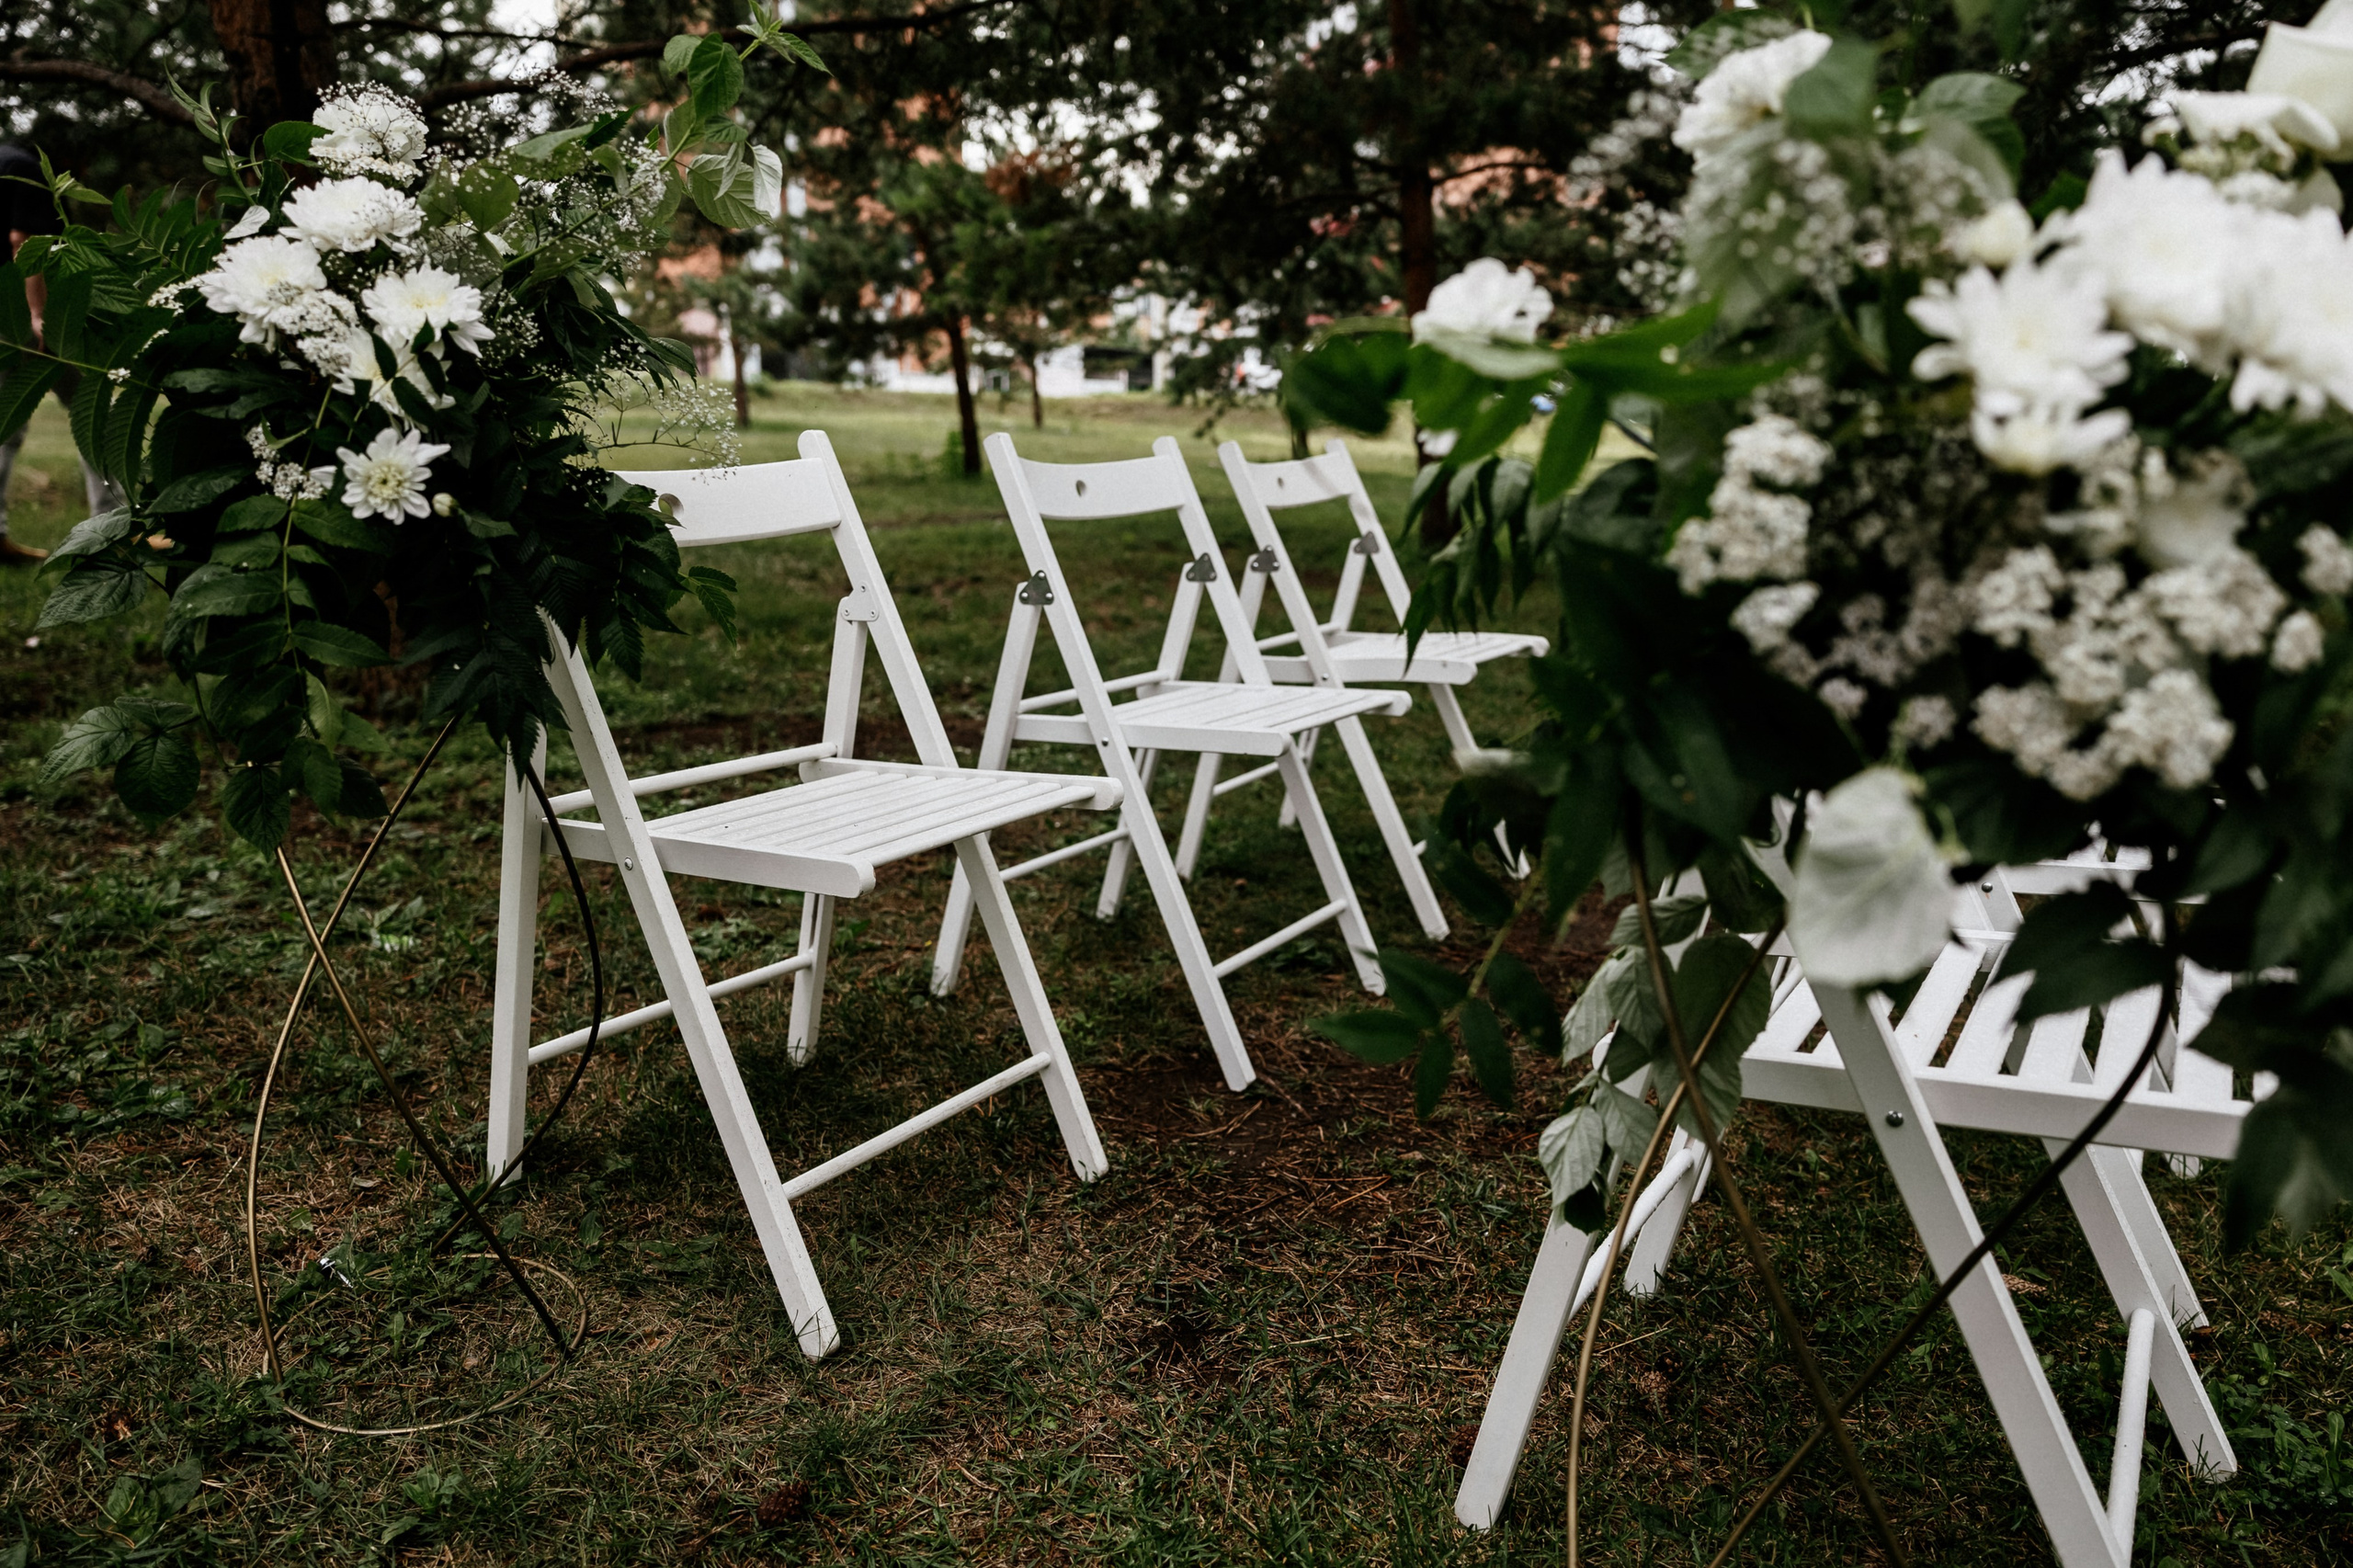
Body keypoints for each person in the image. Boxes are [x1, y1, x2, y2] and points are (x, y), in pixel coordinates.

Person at [1, 141, 122, 566]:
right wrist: (38, 314)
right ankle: (115, 531)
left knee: (6, 422)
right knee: (94, 406)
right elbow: (25, 241)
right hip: (23, 313)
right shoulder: (25, 168)